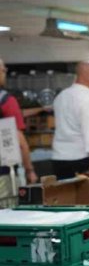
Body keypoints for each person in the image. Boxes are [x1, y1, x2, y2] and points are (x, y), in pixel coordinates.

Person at [51, 60, 89, 179]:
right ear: (86, 74)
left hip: (59, 159)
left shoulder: (61, 96)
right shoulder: (87, 99)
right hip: (82, 160)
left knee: (65, 197)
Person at [0, 58, 38, 189]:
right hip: (3, 173)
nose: (5, 73)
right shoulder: (6, 101)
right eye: (4, 70)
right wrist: (29, 170)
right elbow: (20, 141)